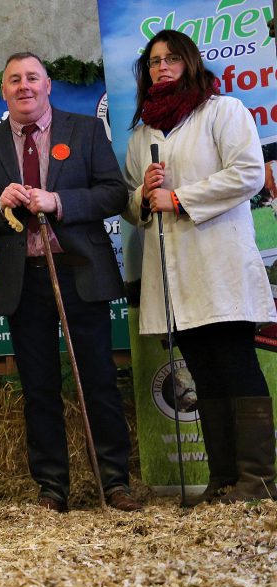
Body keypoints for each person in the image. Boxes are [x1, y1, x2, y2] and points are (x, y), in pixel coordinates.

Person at [0, 52, 142, 513]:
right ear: (3, 90)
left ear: (48, 86)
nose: (24, 86)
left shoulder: (83, 131)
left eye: (32, 78)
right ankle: (51, 487)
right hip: (23, 280)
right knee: (38, 386)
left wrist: (58, 200)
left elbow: (113, 193)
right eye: (13, 80)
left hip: (79, 272)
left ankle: (114, 480)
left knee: (99, 379)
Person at [122, 29, 275, 504]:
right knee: (203, 374)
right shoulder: (141, 134)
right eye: (152, 62)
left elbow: (249, 172)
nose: (161, 67)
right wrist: (144, 196)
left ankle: (259, 479)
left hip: (219, 264)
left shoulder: (222, 111)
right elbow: (132, 206)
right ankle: (224, 478)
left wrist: (180, 198)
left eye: (170, 59)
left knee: (235, 362)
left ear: (189, 62)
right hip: (175, 277)